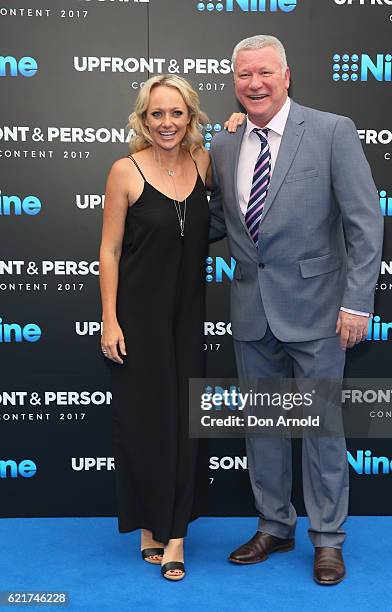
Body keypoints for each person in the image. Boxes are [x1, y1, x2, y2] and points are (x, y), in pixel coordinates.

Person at [209, 35, 384, 585]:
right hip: (250, 310)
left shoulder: (333, 131)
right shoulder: (223, 143)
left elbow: (365, 222)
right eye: (243, 75)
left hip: (319, 311)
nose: (254, 84)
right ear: (234, 83)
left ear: (288, 76)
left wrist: (357, 303)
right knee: (263, 429)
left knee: (321, 431)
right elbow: (219, 221)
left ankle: (328, 539)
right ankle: (274, 525)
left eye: (264, 73)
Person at [99, 74, 243, 582]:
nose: (166, 123)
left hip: (188, 317)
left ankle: (176, 534)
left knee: (185, 426)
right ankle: (148, 525)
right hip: (137, 318)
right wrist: (110, 319)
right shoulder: (125, 170)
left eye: (176, 113)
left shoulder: (204, 162)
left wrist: (239, 127)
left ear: (191, 117)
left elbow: (248, 169)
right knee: (144, 427)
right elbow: (109, 250)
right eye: (156, 114)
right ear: (143, 119)